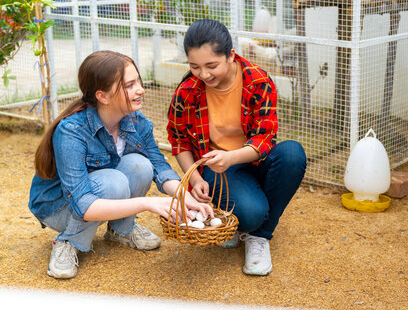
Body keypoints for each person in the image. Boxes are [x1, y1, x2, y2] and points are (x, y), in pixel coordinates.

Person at [29, 50, 213, 279]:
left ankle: (120, 230)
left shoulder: (137, 122)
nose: (141, 89)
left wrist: (187, 199)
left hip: (99, 193)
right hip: (58, 207)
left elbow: (160, 168)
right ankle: (68, 241)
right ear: (102, 96)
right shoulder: (72, 130)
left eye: (138, 81)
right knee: (113, 182)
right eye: (129, 85)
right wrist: (147, 204)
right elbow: (83, 204)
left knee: (141, 165)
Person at [167, 19, 307, 276]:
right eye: (194, 66)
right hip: (217, 168)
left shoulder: (258, 81)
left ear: (231, 55)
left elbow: (265, 138)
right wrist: (196, 177)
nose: (204, 74)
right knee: (252, 213)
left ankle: (259, 237)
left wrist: (231, 157)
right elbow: (179, 141)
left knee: (292, 154)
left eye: (212, 65)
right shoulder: (187, 91)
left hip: (247, 157)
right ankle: (249, 218)